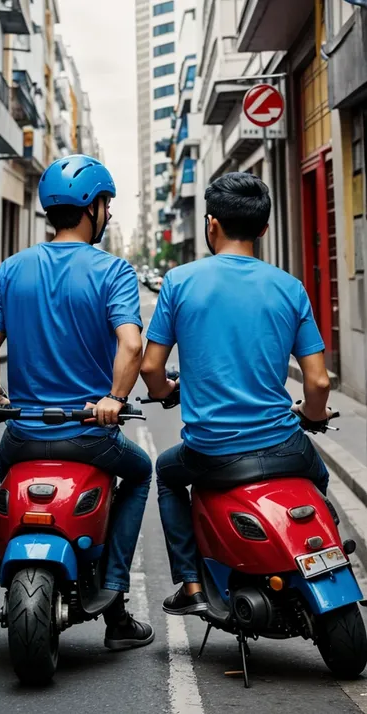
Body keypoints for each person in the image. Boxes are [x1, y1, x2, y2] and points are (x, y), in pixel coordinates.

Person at [0, 154, 154, 649]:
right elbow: (132, 345)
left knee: (7, 472)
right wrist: (115, 399)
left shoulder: (12, 270)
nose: (110, 214)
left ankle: (14, 559)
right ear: (91, 207)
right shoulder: (113, 271)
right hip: (89, 435)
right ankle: (115, 597)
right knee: (139, 473)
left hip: (24, 435)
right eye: (107, 204)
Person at [141, 172, 332, 617]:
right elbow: (318, 383)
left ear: (211, 225)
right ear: (264, 229)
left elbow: (151, 368)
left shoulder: (179, 281)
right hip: (285, 445)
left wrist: (167, 390)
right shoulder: (290, 287)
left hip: (211, 450)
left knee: (167, 474)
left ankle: (190, 584)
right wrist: (312, 415)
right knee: (317, 480)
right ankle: (323, 555)